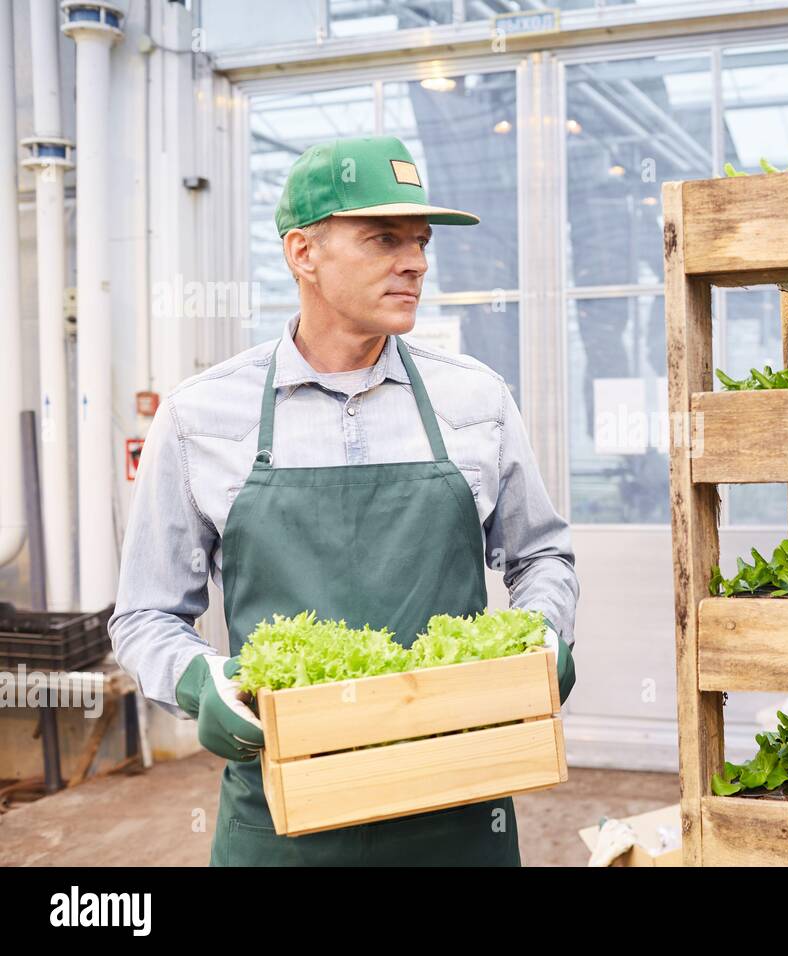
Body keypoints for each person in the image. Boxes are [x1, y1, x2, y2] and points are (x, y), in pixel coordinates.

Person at [109, 135, 578, 866]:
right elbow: (146, 612)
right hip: (283, 816)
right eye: (383, 238)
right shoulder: (202, 416)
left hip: (458, 807)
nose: (416, 260)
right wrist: (202, 683)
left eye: (420, 241)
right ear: (304, 254)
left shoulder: (474, 399)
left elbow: (540, 554)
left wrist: (544, 637)